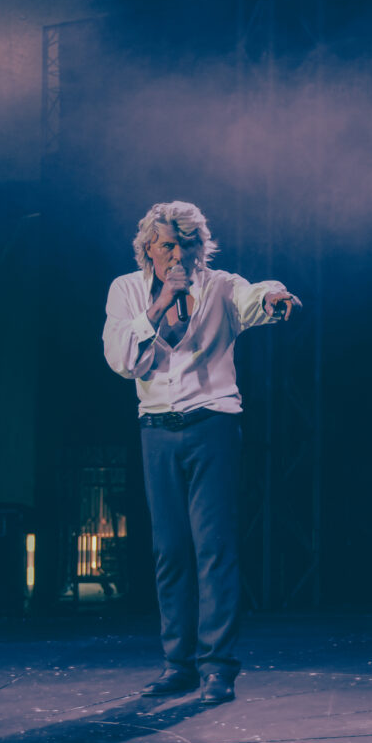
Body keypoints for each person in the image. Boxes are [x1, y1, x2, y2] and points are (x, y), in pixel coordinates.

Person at [102, 201, 300, 705]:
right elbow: (123, 360)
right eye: (168, 245)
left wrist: (273, 297)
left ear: (201, 247)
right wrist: (159, 305)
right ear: (149, 249)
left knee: (214, 548)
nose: (179, 256)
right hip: (156, 428)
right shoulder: (126, 290)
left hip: (212, 424)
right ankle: (178, 664)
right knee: (169, 550)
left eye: (188, 245)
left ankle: (217, 667)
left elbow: (256, 296)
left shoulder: (220, 286)